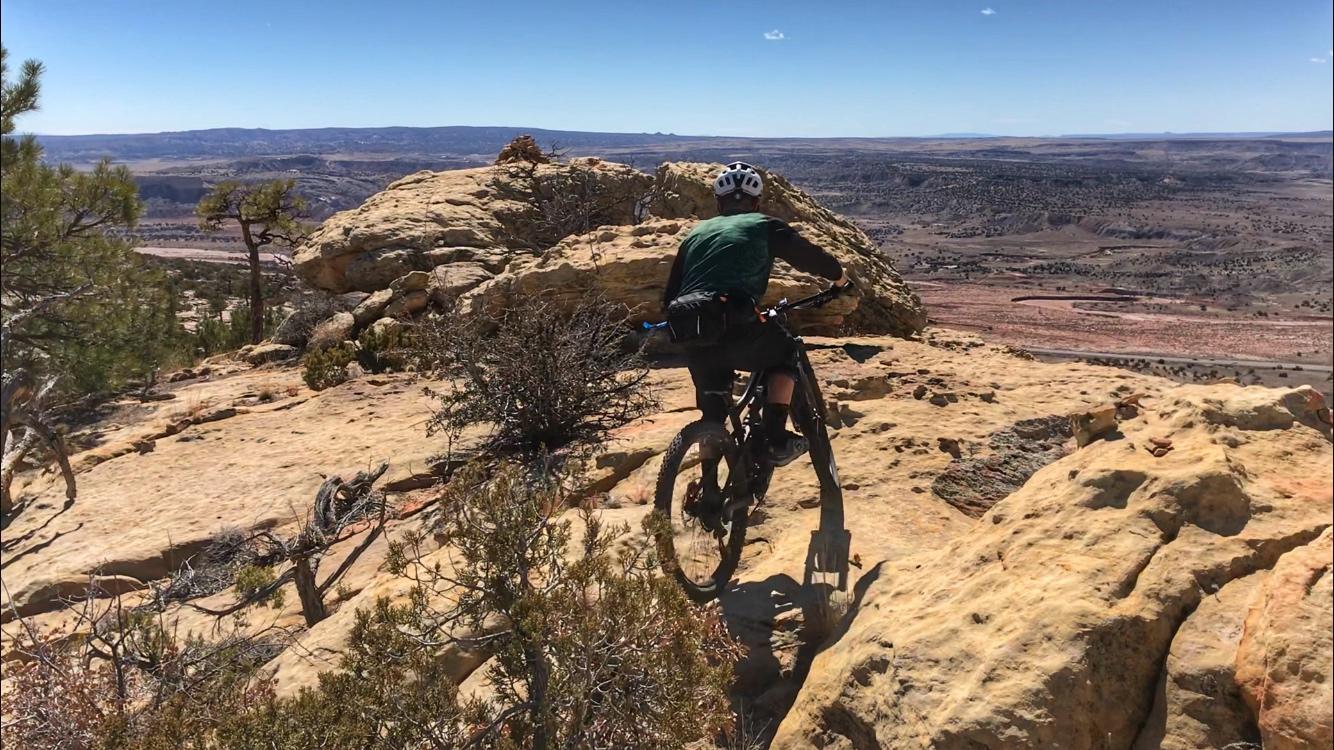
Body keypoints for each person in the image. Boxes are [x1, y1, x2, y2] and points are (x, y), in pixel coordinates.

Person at [662, 161, 850, 473]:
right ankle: (775, 439)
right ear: (756, 202)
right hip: (736, 327)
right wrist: (840, 279)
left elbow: (670, 296)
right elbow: (812, 258)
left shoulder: (694, 235)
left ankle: (709, 491)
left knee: (712, 414)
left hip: (690, 331)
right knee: (785, 354)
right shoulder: (764, 225)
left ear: (719, 203)